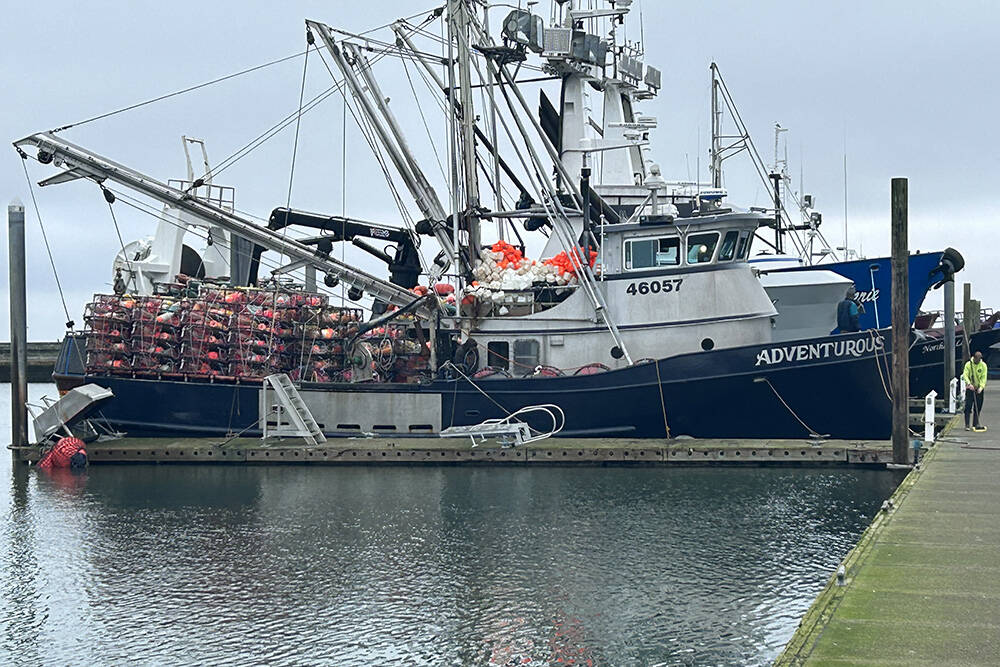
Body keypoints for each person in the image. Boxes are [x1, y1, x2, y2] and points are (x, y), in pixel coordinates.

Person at [963, 350, 988, 431]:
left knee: (978, 406)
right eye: (977, 358)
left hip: (978, 389)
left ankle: (975, 423)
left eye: (980, 359)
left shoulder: (983, 365)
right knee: (968, 406)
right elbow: (965, 375)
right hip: (970, 388)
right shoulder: (968, 364)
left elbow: (983, 377)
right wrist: (969, 384)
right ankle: (967, 424)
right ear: (974, 358)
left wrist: (981, 387)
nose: (978, 360)